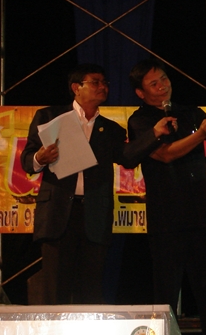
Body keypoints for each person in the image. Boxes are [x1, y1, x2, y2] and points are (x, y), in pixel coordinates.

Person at [20, 63, 174, 304]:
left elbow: (127, 157)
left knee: (90, 290)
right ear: (76, 87)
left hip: (95, 214)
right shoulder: (49, 116)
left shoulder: (111, 129)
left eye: (105, 83)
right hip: (58, 214)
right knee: (55, 289)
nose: (103, 87)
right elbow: (27, 161)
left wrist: (154, 133)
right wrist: (40, 158)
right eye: (95, 82)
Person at [127, 58, 206, 335]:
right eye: (153, 83)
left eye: (164, 79)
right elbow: (166, 155)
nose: (162, 86)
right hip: (166, 218)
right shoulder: (140, 121)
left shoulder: (190, 111)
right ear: (140, 92)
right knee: (166, 292)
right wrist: (200, 134)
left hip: (200, 212)